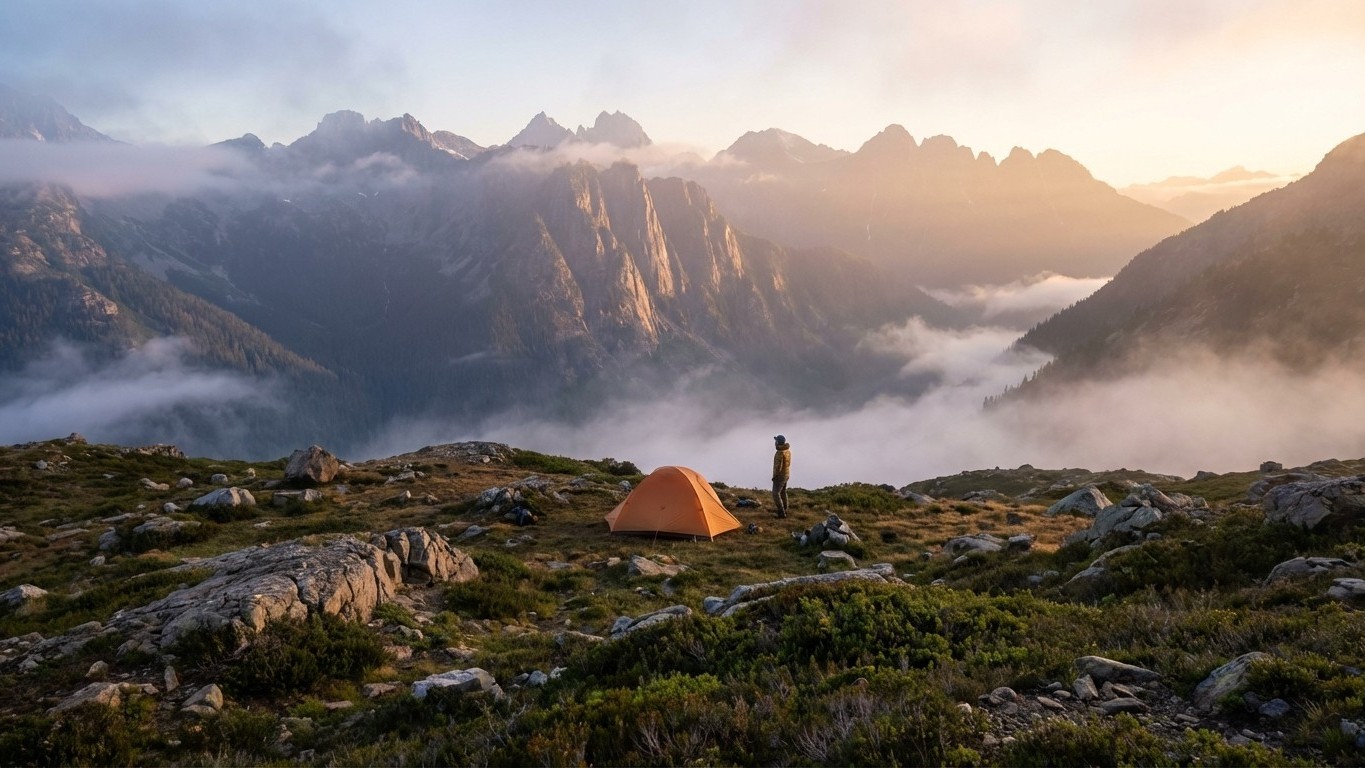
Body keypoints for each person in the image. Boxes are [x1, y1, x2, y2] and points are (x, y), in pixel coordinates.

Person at [772, 434, 791, 518]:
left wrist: (775, 476)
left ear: (778, 442)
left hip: (780, 476)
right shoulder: (787, 451)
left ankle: (781, 513)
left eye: (776, 441)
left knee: (775, 493)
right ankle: (786, 509)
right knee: (783, 492)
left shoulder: (779, 453)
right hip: (786, 474)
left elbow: (778, 467)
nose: (775, 442)